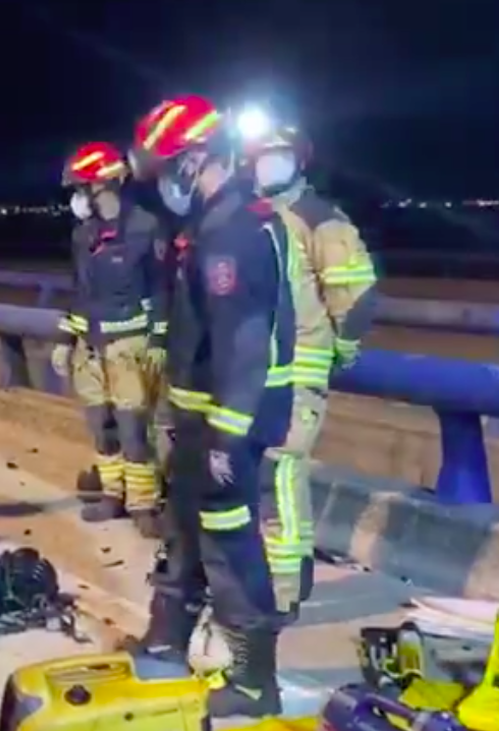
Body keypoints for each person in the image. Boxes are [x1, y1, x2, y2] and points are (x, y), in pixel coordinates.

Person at [123, 94, 298, 718]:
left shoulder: (233, 233)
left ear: (194, 160)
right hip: (199, 418)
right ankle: (167, 641)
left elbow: (244, 342)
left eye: (166, 168)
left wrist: (226, 436)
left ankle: (254, 682)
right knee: (184, 529)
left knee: (229, 544)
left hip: (229, 423)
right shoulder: (205, 226)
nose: (160, 185)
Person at [241, 122, 379, 621]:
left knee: (279, 473)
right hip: (256, 371)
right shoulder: (253, 217)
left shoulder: (319, 218)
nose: (268, 163)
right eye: (261, 155)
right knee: (262, 478)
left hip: (299, 368)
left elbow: (355, 294)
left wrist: (344, 347)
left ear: (300, 160)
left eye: (279, 154)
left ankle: (285, 589)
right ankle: (274, 579)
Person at [51, 141, 168, 539]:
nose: (76, 197)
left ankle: (144, 504)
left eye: (80, 188)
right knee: (102, 426)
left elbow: (161, 289)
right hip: (91, 348)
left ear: (100, 185)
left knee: (134, 428)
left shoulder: (146, 228)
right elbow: (80, 292)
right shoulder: (83, 235)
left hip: (129, 347)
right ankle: (112, 496)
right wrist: (65, 340)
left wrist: (158, 342)